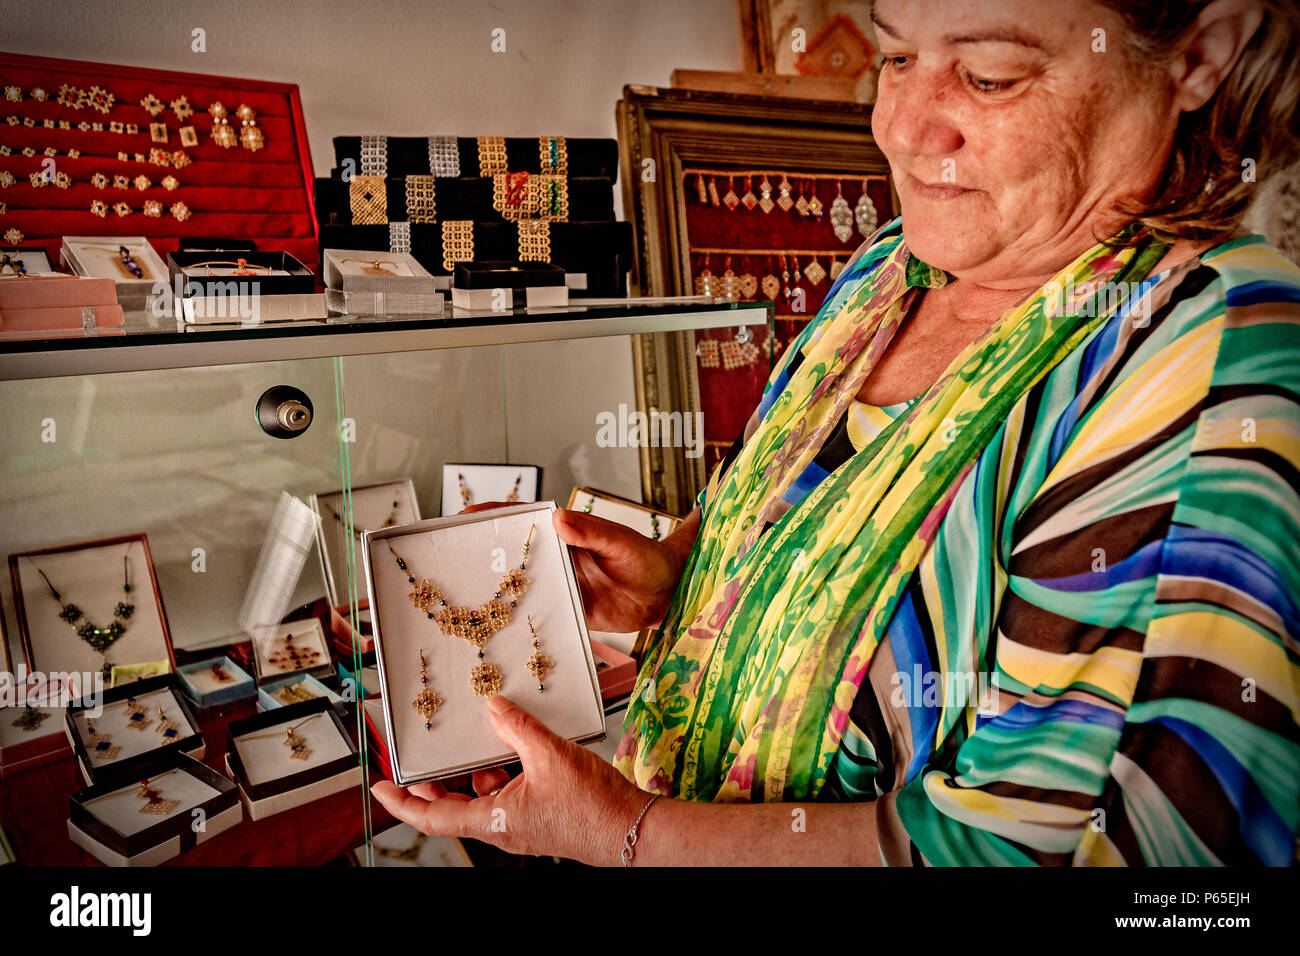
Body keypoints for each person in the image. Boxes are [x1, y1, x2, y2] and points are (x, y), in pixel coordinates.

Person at [373, 0, 1300, 866]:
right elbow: (827, 518)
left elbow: (1049, 845)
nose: (901, 127)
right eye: (897, 55)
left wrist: (630, 835)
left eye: (988, 77)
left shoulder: (1210, 345)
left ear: (1198, 57)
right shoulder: (892, 268)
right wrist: (682, 573)